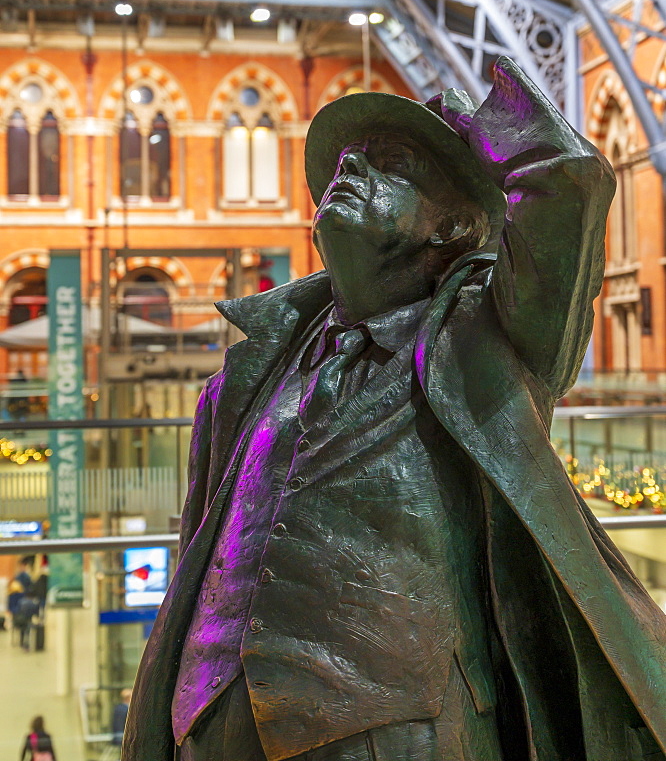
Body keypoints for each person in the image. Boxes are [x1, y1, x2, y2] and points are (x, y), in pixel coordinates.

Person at [123, 58, 666, 761]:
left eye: (393, 164)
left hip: (390, 724)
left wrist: (491, 126)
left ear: (453, 226)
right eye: (346, 161)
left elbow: (570, 183)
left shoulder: (486, 344)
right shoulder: (250, 370)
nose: (349, 169)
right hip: (213, 716)